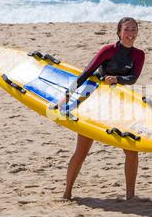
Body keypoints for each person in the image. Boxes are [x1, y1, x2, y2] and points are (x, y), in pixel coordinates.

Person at [59, 17, 146, 200]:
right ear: (119, 32)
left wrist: (117, 79)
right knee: (82, 150)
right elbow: (87, 72)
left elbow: (133, 78)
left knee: (131, 150)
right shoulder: (108, 50)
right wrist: (67, 95)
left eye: (134, 29)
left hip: (118, 102)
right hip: (94, 100)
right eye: (127, 29)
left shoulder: (139, 55)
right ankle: (67, 193)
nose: (131, 33)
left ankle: (130, 197)